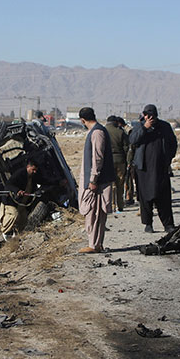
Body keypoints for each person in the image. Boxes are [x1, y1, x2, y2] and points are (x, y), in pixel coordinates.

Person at [129, 104, 177, 233]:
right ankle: (148, 223)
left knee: (164, 198)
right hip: (143, 169)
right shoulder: (139, 126)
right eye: (147, 115)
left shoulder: (165, 127)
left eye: (151, 115)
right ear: (144, 115)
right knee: (145, 198)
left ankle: (168, 224)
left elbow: (173, 143)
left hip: (161, 168)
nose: (149, 118)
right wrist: (145, 127)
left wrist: (168, 159)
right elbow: (133, 140)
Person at [78, 107, 115, 253]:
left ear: (82, 120)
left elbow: (97, 158)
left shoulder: (97, 133)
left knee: (95, 213)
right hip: (96, 180)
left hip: (98, 182)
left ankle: (94, 245)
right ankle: (96, 243)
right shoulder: (95, 131)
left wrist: (93, 180)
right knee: (94, 213)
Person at [0, 159, 47, 240]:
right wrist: (17, 190)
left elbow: (43, 181)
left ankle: (16, 236)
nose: (35, 172)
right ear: (28, 167)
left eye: (36, 170)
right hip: (10, 202)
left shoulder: (33, 177)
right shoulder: (20, 174)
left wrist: (58, 182)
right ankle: (5, 231)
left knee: (24, 219)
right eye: (33, 169)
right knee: (14, 215)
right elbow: (8, 185)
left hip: (21, 203)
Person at [106, 116, 130, 213]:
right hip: (120, 161)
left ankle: (112, 205)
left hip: (108, 162)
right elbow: (126, 148)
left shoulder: (104, 131)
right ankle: (120, 205)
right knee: (120, 183)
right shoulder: (121, 132)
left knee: (110, 184)